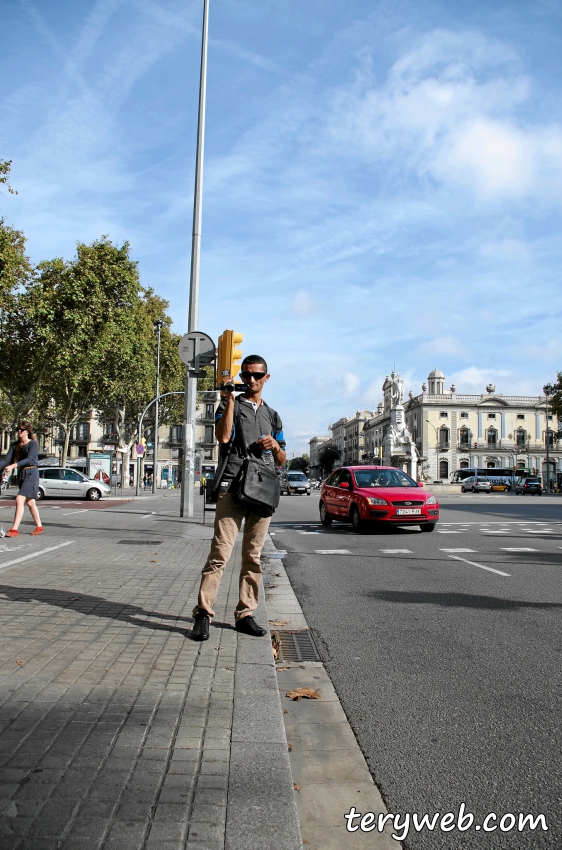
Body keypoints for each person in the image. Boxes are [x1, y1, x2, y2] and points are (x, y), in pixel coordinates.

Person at [191, 355, 286, 641]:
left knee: (253, 557)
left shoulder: (272, 415)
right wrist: (230, 398)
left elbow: (282, 459)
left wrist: (274, 446)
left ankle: (245, 613)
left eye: (257, 375)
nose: (251, 380)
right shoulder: (227, 403)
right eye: (246, 375)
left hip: (262, 491)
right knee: (220, 554)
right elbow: (222, 437)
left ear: (266, 377)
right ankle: (203, 614)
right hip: (232, 487)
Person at [0, 421, 43, 537]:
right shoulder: (15, 445)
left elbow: (29, 459)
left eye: (22, 429)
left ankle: (14, 529)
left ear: (27, 431)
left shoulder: (33, 443)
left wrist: (14, 465)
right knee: (30, 502)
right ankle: (39, 526)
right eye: (18, 429)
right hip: (22, 473)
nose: (19, 431)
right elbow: (6, 460)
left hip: (31, 472)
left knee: (19, 499)